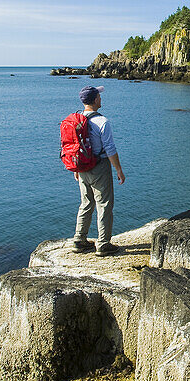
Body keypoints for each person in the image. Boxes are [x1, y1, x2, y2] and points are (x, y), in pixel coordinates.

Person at [71, 84, 125, 256]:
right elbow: (109, 149)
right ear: (95, 100)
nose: (101, 99)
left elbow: (73, 146)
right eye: (99, 96)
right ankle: (103, 243)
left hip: (82, 166)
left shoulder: (76, 118)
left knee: (86, 202)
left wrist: (76, 168)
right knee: (104, 204)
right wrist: (118, 169)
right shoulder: (102, 121)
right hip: (99, 166)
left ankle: (79, 240)